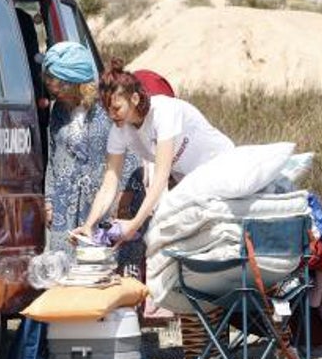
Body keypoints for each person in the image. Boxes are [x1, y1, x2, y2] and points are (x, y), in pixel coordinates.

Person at [69, 58, 234, 245]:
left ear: (135, 99)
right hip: (192, 182)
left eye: (116, 108)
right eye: (107, 110)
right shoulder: (119, 130)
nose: (112, 116)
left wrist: (133, 224)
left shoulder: (163, 112)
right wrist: (89, 225)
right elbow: (109, 183)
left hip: (221, 166)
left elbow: (161, 176)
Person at [40, 42, 137, 255]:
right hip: (65, 205)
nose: (53, 90)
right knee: (64, 269)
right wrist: (49, 201)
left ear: (76, 83)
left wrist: (125, 196)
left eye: (58, 84)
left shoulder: (107, 106)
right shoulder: (58, 111)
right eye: (49, 82)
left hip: (104, 202)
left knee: (100, 265)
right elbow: (54, 157)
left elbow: (130, 150)